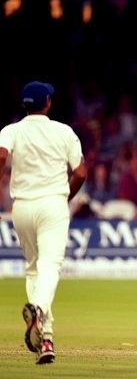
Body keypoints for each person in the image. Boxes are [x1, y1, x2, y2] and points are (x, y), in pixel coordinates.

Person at [0, 81, 87, 364]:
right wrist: (65, 198)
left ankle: (46, 339)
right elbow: (81, 172)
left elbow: (1, 158)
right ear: (48, 102)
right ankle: (37, 308)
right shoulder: (64, 131)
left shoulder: (10, 130)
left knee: (34, 270)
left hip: (22, 208)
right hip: (52, 204)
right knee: (49, 266)